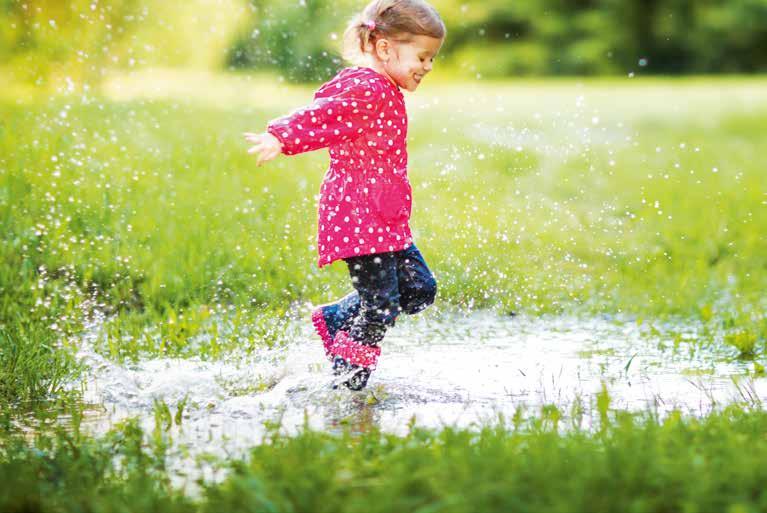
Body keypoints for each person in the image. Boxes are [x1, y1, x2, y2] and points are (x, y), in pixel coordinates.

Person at [244, 0, 445, 390]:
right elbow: (323, 115)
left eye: (432, 58)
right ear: (385, 48)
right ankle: (349, 383)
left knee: (420, 289)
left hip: (385, 219)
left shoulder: (384, 87)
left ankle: (337, 317)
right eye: (422, 56)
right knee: (381, 306)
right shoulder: (365, 87)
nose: (428, 67)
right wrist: (281, 136)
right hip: (359, 218)